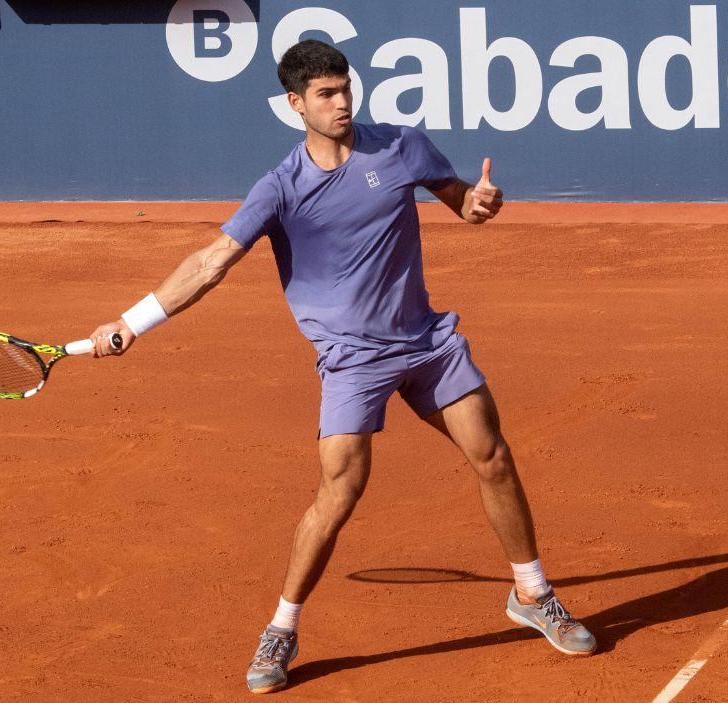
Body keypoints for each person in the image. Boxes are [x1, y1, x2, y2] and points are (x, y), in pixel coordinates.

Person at [88, 39, 596, 695]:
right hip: (352, 360)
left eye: (345, 89)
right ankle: (282, 627)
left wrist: (478, 203)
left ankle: (532, 591)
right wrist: (132, 322)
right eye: (325, 95)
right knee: (339, 492)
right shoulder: (280, 189)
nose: (341, 104)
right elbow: (210, 263)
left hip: (425, 342)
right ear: (295, 104)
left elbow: (459, 199)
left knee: (491, 453)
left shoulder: (401, 146)